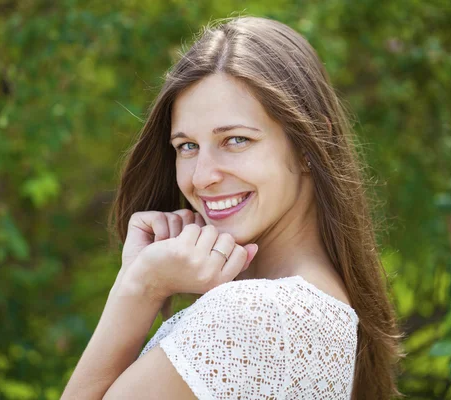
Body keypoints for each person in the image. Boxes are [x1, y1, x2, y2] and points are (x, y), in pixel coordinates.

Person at [62, 16, 402, 400]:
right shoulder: (311, 310)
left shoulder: (258, 316)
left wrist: (141, 286)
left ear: (310, 144)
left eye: (236, 140)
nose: (202, 176)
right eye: (187, 146)